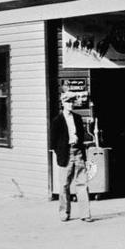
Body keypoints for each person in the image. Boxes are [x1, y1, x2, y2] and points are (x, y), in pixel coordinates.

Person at [51, 92, 92, 222]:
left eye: (72, 102)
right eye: (67, 102)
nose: (70, 104)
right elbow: (53, 142)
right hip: (65, 154)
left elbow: (82, 135)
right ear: (62, 103)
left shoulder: (78, 118)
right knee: (64, 185)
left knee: (82, 183)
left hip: (78, 152)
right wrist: (61, 153)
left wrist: (79, 148)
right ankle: (64, 212)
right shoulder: (57, 121)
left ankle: (85, 214)